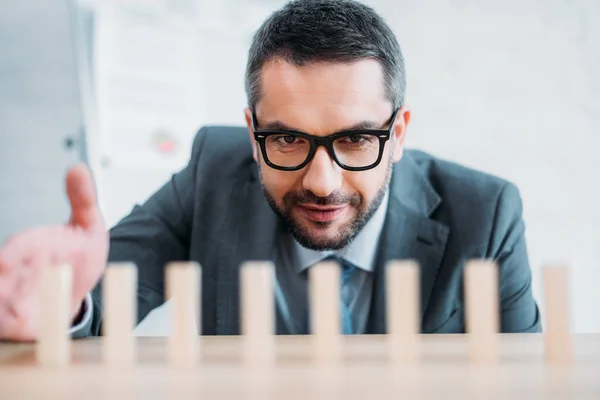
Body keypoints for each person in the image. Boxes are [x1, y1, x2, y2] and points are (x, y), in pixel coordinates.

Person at [0, 0, 541, 341]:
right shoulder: (214, 168)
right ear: (253, 132)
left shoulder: (486, 216)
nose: (321, 182)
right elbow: (97, 301)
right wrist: (57, 304)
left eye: (355, 140)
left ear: (397, 135)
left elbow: (528, 385)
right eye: (286, 138)